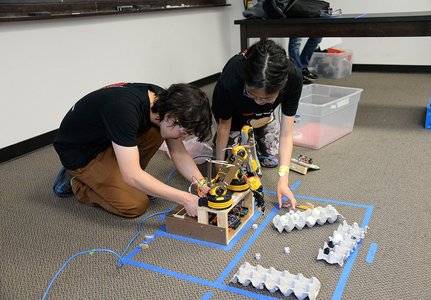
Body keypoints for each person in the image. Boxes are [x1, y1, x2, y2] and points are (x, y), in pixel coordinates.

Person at [53, 82, 212, 218]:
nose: (183, 138)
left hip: (109, 139)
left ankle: (120, 178)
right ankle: (78, 183)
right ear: (170, 117)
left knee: (159, 132)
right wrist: (186, 199)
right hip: (81, 154)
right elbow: (131, 175)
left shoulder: (163, 102)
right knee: (136, 204)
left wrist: (203, 184)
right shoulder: (124, 110)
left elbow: (179, 152)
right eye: (184, 132)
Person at [211, 39, 301, 209]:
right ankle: (228, 146)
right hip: (235, 121)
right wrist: (220, 172)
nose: (260, 101)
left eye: (268, 98)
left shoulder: (293, 78)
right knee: (237, 175)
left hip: (264, 118)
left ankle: (260, 131)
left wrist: (283, 179)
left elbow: (287, 133)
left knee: (273, 160)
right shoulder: (231, 80)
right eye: (253, 95)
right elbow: (224, 125)